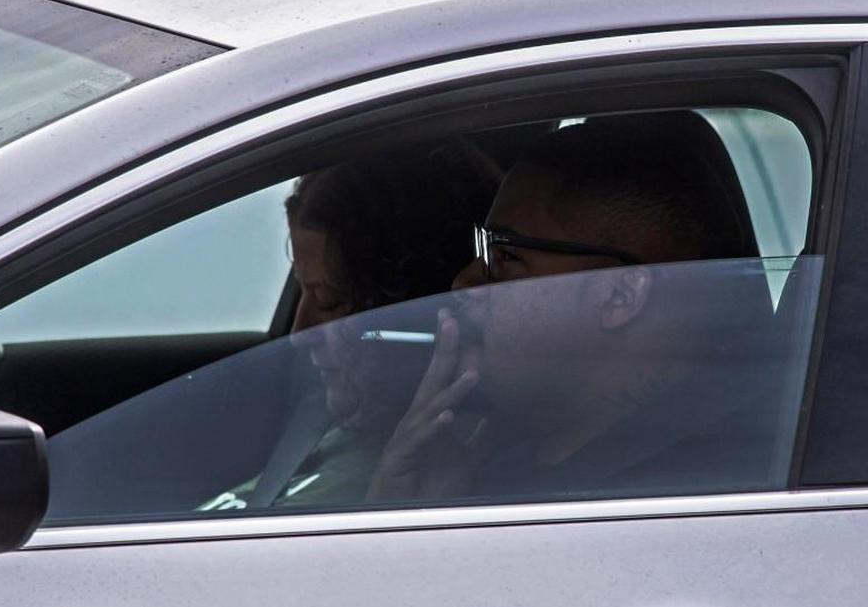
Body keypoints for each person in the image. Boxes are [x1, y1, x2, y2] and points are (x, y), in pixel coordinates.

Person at [366, 111, 773, 501]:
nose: (464, 283)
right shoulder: (487, 470)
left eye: (506, 257)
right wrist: (418, 510)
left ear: (620, 295)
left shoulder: (684, 500)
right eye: (484, 248)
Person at [199, 138, 497, 511]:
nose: (298, 334)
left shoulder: (431, 479)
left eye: (329, 301)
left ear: (418, 309)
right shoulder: (338, 428)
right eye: (302, 291)